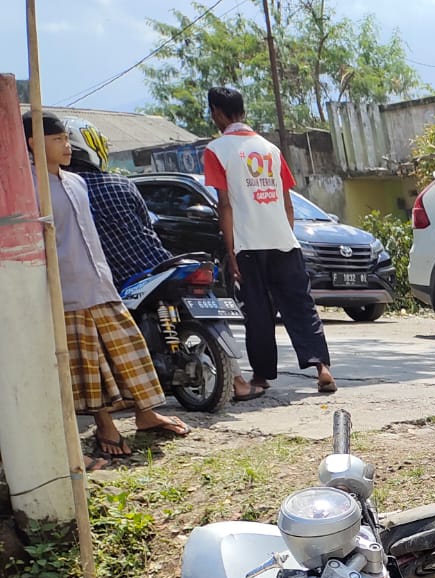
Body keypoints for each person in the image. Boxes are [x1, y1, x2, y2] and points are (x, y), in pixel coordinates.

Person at [24, 112, 189, 466]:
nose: (66, 146)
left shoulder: (77, 183)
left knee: (130, 350)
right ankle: (105, 427)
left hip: (100, 281)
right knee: (91, 366)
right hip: (66, 291)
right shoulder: (29, 190)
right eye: (56, 140)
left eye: (67, 139)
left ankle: (146, 415)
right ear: (32, 144)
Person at [63, 121, 264, 402]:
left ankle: (122, 389)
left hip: (118, 277)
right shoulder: (122, 184)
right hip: (162, 264)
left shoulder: (66, 190)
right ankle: (239, 381)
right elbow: (148, 225)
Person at [202, 86, 336, 394]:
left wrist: (231, 251)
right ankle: (322, 367)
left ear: (218, 113)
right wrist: (286, 233)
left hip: (249, 243)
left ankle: (261, 378)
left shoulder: (216, 150)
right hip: (284, 240)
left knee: (258, 312)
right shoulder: (270, 149)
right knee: (301, 305)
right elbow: (287, 202)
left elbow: (225, 204)